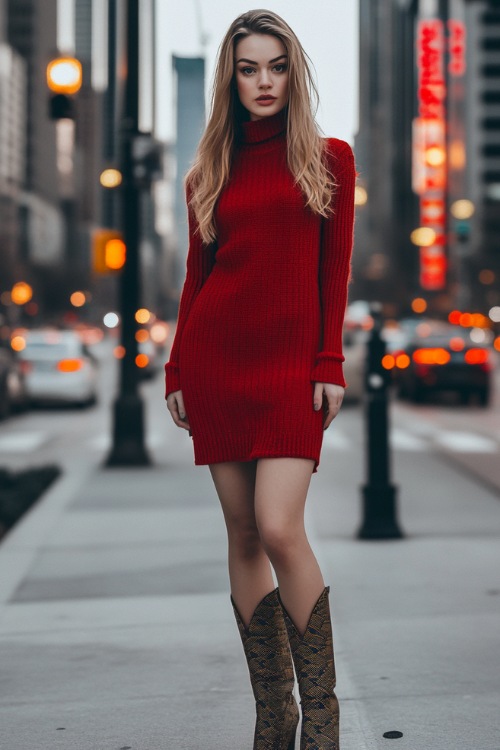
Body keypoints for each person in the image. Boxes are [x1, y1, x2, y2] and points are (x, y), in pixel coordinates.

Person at [165, 9, 355, 749]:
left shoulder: (329, 159)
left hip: (288, 370)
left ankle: (324, 723)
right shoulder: (208, 171)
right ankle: (274, 720)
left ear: (294, 73)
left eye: (277, 66)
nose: (264, 81)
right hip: (217, 361)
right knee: (242, 535)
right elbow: (196, 278)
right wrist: (179, 366)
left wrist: (328, 363)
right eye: (249, 68)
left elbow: (331, 276)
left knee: (280, 526)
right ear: (231, 78)